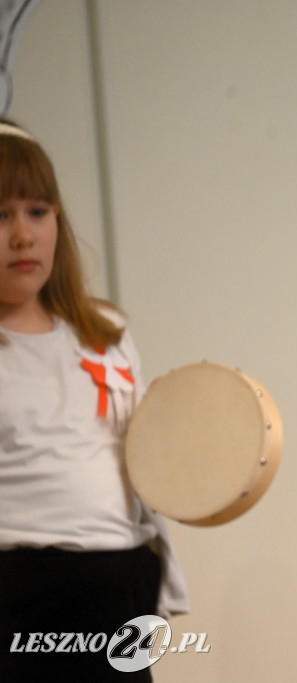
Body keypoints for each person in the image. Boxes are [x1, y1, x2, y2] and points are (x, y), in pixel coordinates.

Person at [0, 119, 187, 680]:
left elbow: (140, 463)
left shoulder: (103, 331)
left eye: (37, 211)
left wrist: (169, 432)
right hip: (17, 588)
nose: (22, 236)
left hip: (116, 581)